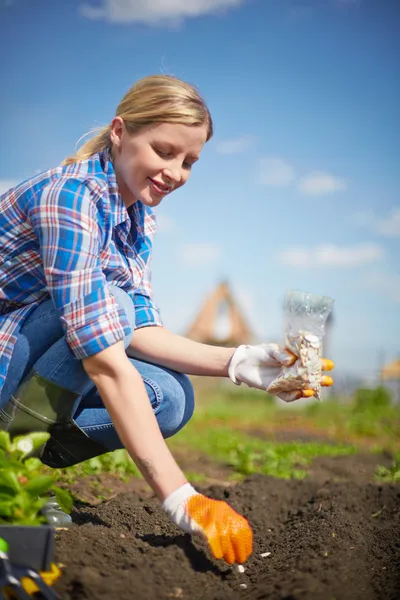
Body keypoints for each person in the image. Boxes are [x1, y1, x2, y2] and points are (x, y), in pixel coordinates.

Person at [0, 75, 334, 566]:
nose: (175, 172)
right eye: (164, 150)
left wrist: (240, 363)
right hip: (9, 353)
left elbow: (139, 328)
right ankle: (15, 468)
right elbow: (104, 356)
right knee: (108, 308)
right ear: (119, 132)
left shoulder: (137, 216)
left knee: (171, 398)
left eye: (189, 161)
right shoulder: (70, 198)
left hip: (29, 361)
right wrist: (181, 498)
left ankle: (20, 454)